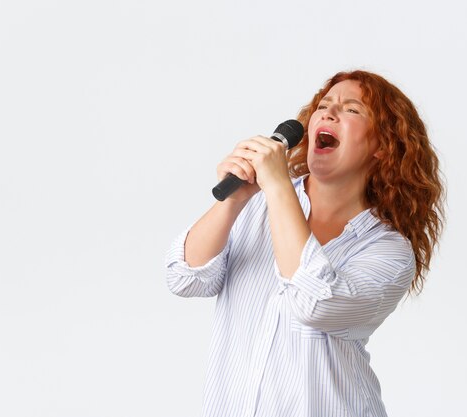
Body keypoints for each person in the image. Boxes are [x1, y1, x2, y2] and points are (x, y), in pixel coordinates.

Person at [165, 70, 444, 417]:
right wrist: (235, 200)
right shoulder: (258, 202)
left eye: (352, 110)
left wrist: (279, 186)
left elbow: (314, 303)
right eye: (324, 105)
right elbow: (185, 277)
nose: (328, 113)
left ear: (383, 147)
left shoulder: (389, 251)